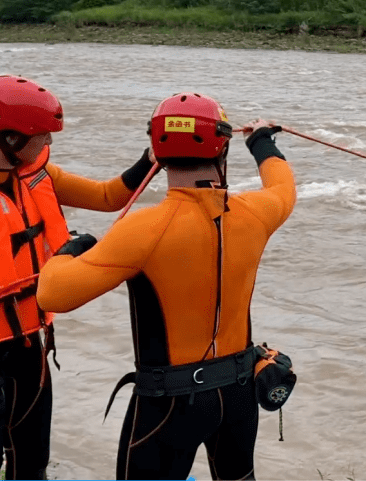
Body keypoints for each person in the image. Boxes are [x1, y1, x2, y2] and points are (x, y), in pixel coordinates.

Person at [38, 93, 297, 480]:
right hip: (240, 391)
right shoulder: (256, 213)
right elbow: (283, 187)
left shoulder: (142, 230)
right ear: (221, 145)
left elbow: (52, 294)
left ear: (157, 152)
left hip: (168, 404)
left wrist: (67, 250)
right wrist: (261, 141)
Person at [0, 74, 155, 480]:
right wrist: (67, 255)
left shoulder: (38, 176)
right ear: (11, 139)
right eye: (43, 136)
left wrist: (150, 158)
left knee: (31, 459)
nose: (49, 144)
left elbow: (108, 196)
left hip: (29, 347)